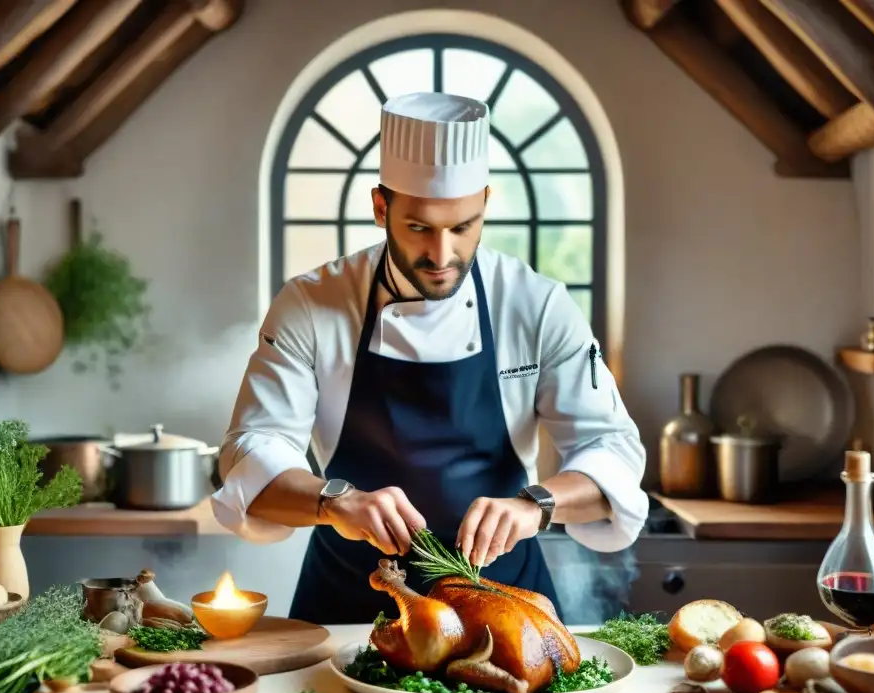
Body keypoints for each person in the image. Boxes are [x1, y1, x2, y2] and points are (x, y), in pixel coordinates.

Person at [211, 91, 649, 625]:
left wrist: (537, 504)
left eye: (462, 227)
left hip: (506, 606)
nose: (442, 256)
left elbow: (612, 450)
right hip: (351, 610)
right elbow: (247, 454)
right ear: (381, 208)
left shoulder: (537, 306)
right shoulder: (311, 304)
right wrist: (333, 501)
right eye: (419, 228)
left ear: (485, 204)